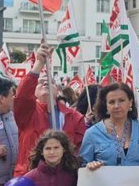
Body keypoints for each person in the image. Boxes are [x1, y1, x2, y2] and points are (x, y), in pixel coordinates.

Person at [14, 43, 86, 177]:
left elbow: (79, 151)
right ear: (33, 91)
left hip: (63, 178)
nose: (46, 83)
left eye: (50, 81)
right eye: (41, 82)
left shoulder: (75, 117)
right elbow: (22, 96)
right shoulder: (27, 113)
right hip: (31, 177)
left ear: (58, 90)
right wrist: (39, 64)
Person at [80, 83, 139, 169]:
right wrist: (90, 165)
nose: (116, 106)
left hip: (138, 181)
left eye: (121, 100)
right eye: (111, 102)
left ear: (130, 102)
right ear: (106, 106)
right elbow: (83, 164)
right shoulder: (92, 133)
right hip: (105, 182)